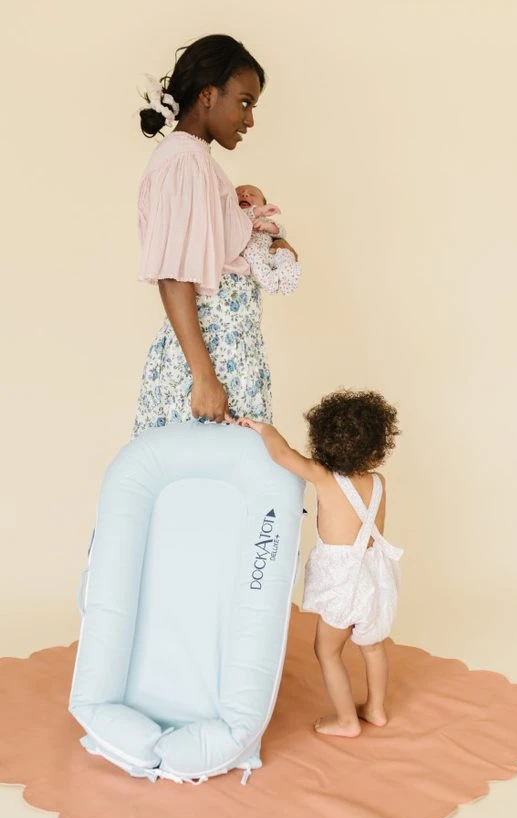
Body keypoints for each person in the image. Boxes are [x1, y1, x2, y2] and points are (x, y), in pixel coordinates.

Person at [132, 35, 297, 438]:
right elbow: (174, 274)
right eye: (244, 102)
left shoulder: (195, 161)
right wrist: (204, 376)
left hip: (226, 356)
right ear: (208, 95)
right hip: (212, 361)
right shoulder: (186, 162)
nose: (249, 120)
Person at [237, 390, 403, 738]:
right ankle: (376, 709)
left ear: (324, 442)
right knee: (373, 646)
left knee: (327, 651)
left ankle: (346, 721)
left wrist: (264, 428)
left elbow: (282, 454)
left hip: (343, 581)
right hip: (376, 576)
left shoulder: (323, 477)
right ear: (378, 444)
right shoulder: (379, 482)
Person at [236, 184, 302, 296]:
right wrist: (255, 211)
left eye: (252, 194)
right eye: (238, 193)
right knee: (250, 251)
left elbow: (282, 232)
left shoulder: (265, 221)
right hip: (254, 255)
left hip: (270, 253)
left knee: (286, 254)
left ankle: (286, 279)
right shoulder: (233, 216)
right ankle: (269, 281)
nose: (245, 194)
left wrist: (268, 226)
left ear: (264, 206)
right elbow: (240, 216)